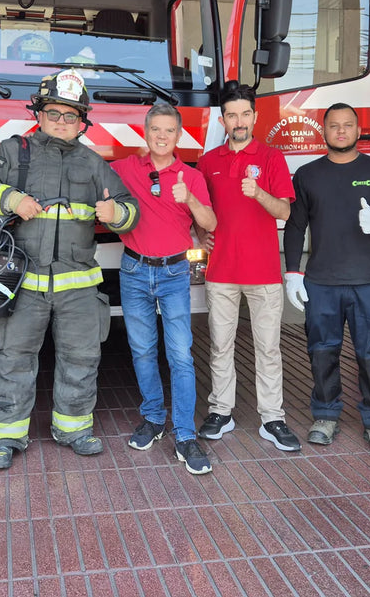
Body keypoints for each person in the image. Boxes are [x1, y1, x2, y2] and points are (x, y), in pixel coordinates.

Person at [0, 69, 140, 470]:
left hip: (78, 287)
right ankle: (5, 436)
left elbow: (131, 210)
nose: (62, 122)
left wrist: (117, 214)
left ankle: (73, 428)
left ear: (82, 122)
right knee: (13, 358)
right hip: (21, 283)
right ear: (39, 114)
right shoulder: (14, 151)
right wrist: (10, 199)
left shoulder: (94, 164)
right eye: (55, 113)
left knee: (81, 358)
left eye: (71, 116)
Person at [282, 103, 370, 455]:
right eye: (334, 126)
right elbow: (295, 226)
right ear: (324, 131)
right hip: (322, 283)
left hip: (369, 282)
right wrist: (293, 273)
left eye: (348, 125)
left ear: (358, 130)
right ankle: (325, 415)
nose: (341, 131)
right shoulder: (307, 175)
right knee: (322, 353)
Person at [112, 103, 217, 475]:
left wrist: (187, 198)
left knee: (181, 355)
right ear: (145, 132)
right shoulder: (124, 169)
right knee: (142, 350)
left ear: (178, 135)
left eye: (168, 130)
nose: (161, 136)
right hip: (134, 269)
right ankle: (154, 418)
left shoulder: (191, 176)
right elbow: (89, 178)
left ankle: (185, 435)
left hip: (174, 272)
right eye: (155, 129)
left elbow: (210, 221)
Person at [196, 83, 300, 452]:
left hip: (264, 273)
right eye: (231, 115)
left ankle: (272, 418)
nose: (238, 121)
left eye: (244, 114)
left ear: (255, 117)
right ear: (223, 120)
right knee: (220, 347)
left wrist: (258, 193)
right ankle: (221, 411)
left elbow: (285, 212)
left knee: (268, 349)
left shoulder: (272, 158)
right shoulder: (208, 162)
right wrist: (199, 234)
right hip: (221, 271)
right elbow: (200, 210)